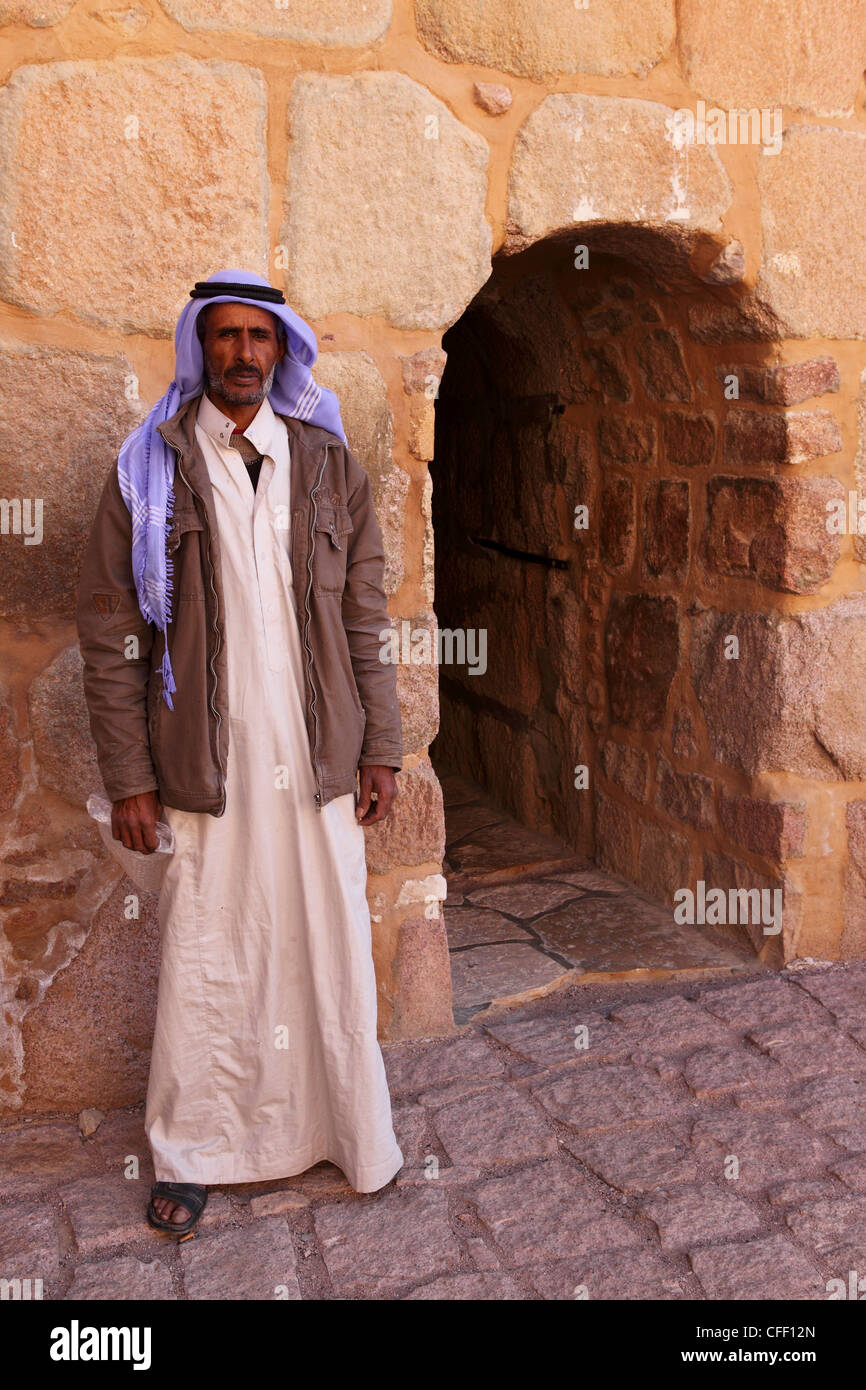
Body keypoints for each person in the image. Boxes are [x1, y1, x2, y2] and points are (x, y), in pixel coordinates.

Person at [76, 269, 405, 1235]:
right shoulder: (149, 470)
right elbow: (111, 635)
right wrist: (130, 778)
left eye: (260, 337)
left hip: (319, 760)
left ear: (283, 350)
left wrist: (381, 748)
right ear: (200, 347)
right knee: (208, 952)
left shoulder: (330, 467)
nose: (243, 353)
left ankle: (344, 1131)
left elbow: (365, 618)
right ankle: (192, 1152)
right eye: (225, 336)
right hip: (203, 767)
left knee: (325, 944)